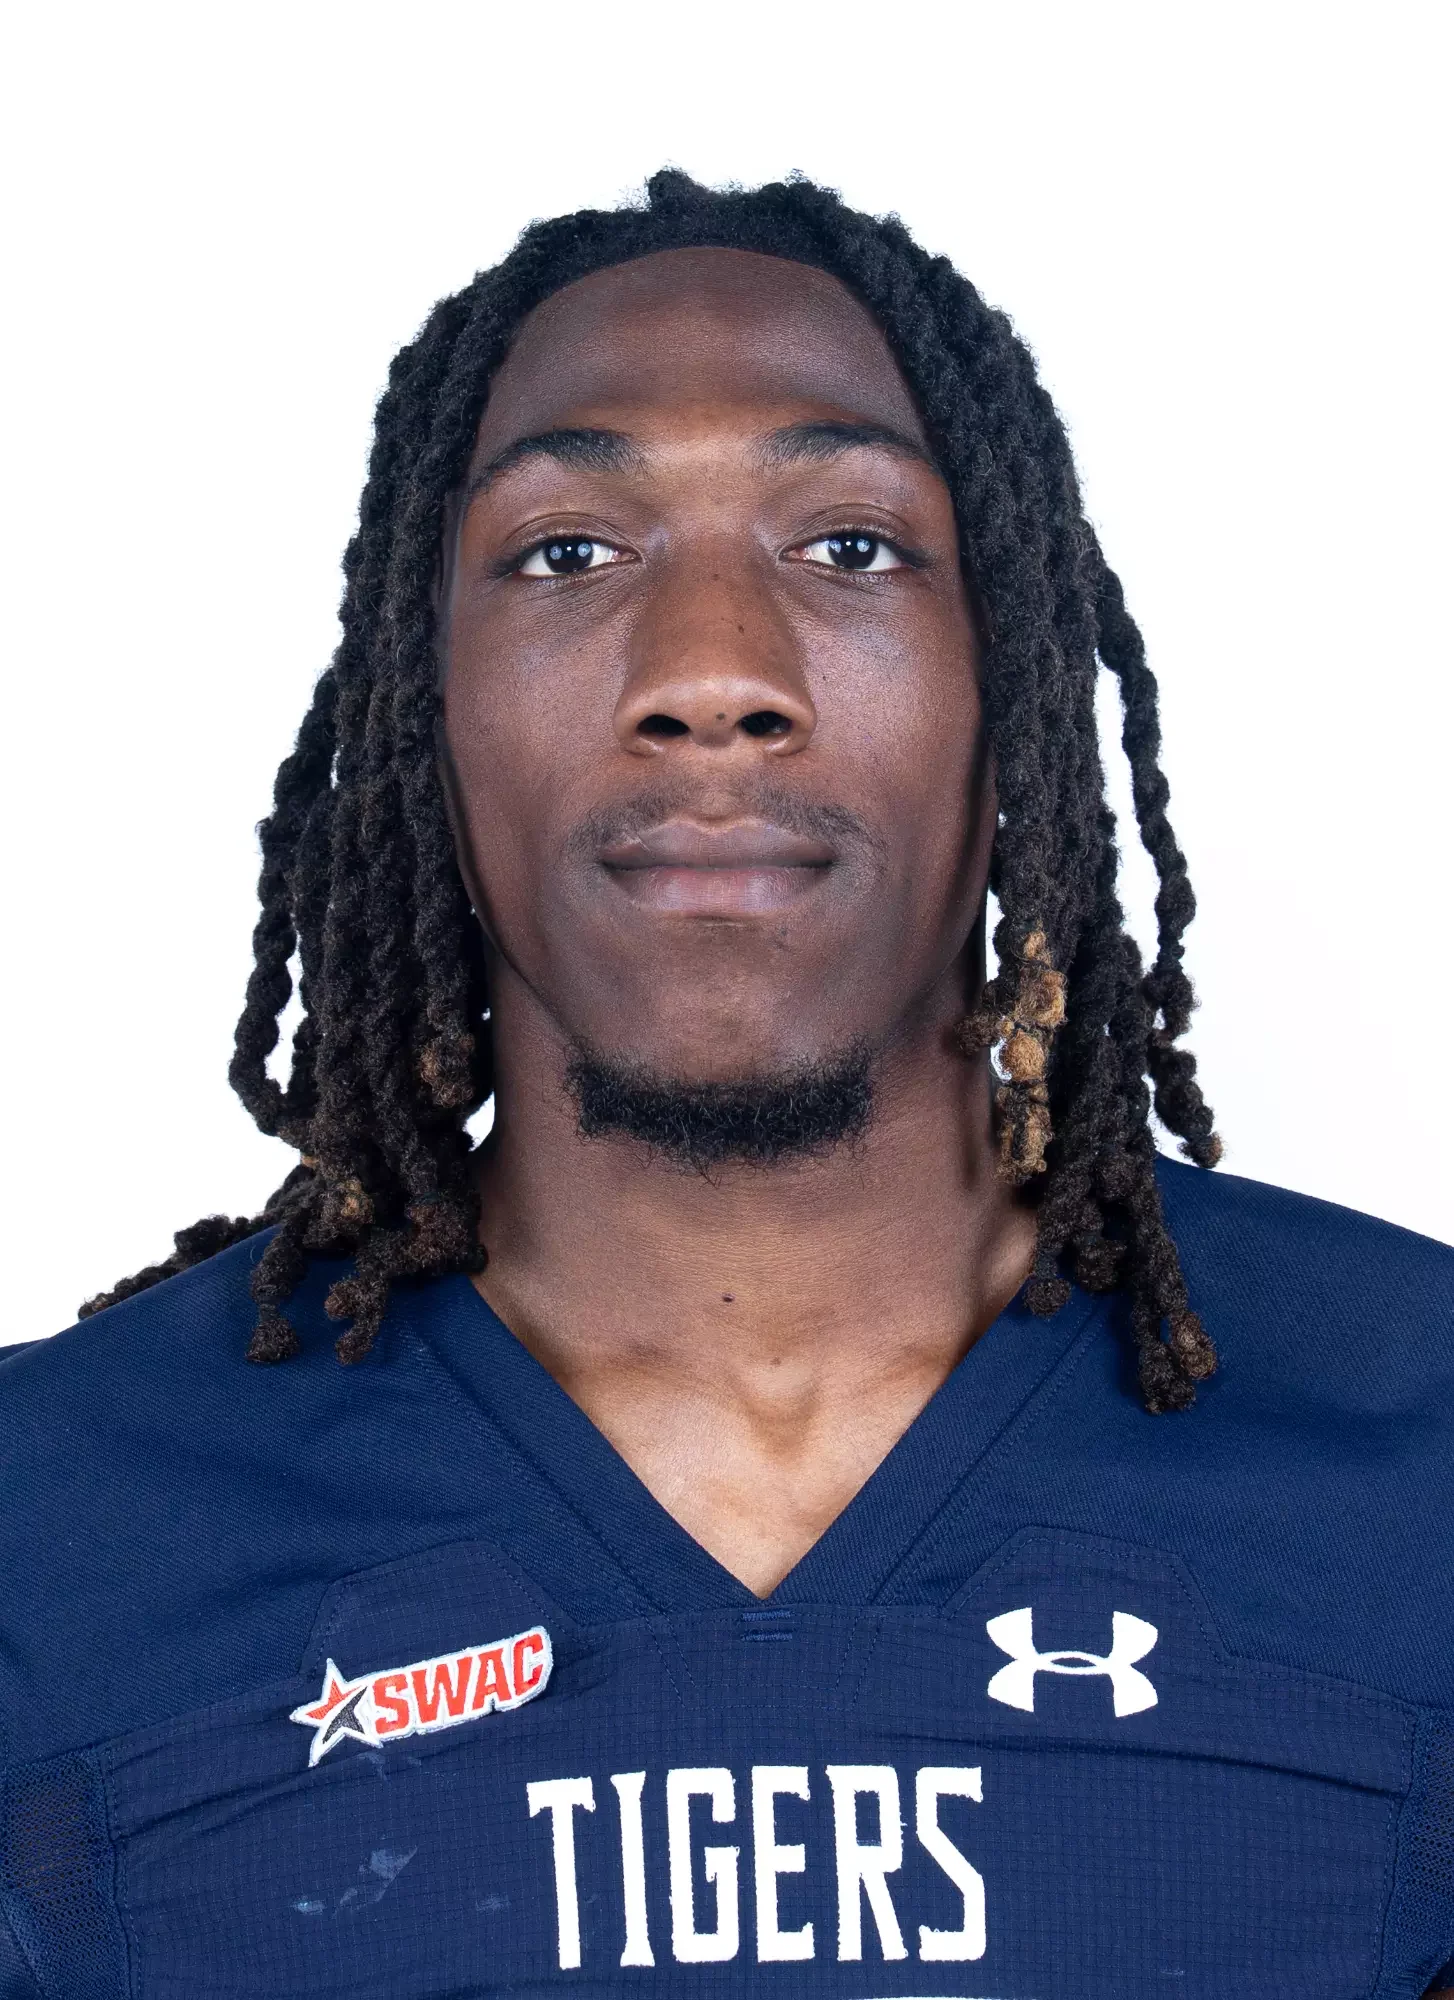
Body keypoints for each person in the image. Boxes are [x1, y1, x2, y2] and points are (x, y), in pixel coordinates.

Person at [1, 171, 1449, 1998]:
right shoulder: (47, 1537)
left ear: (1015, 678)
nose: (707, 676)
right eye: (566, 553)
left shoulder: (1423, 1460)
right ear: (418, 697)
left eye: (848, 545)